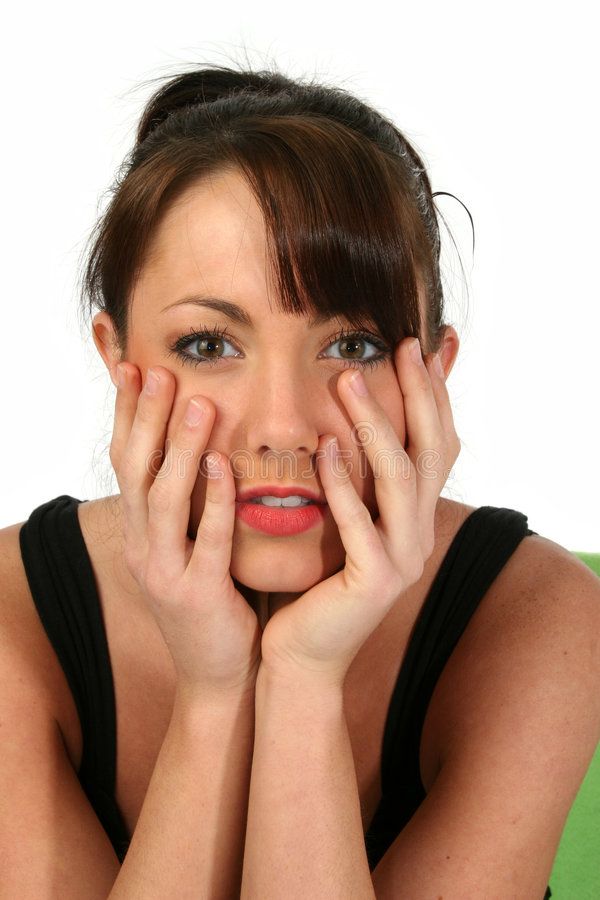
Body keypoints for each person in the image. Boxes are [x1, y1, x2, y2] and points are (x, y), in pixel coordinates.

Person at [1, 64, 598, 899]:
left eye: (350, 345)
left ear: (430, 373)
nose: (282, 424)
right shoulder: (13, 617)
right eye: (210, 344)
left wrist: (304, 679)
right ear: (118, 359)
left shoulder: (538, 619)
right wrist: (213, 696)